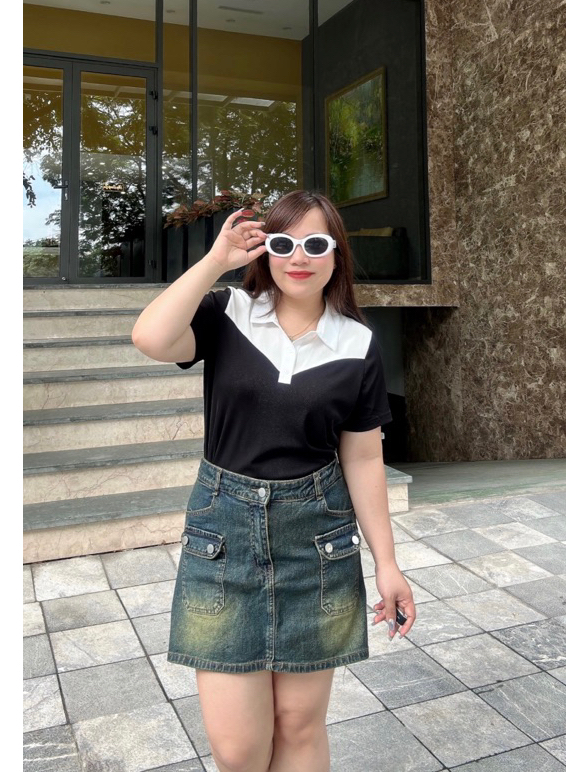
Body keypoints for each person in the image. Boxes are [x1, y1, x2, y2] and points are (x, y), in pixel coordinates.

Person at [132, 190, 416, 772]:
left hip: (316, 544)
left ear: (337, 254)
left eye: (315, 244)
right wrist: (216, 260)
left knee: (299, 724)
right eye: (284, 243)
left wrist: (387, 563)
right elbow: (151, 339)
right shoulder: (229, 313)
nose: (298, 257)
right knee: (238, 751)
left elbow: (364, 458)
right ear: (266, 252)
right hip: (224, 540)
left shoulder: (357, 343)